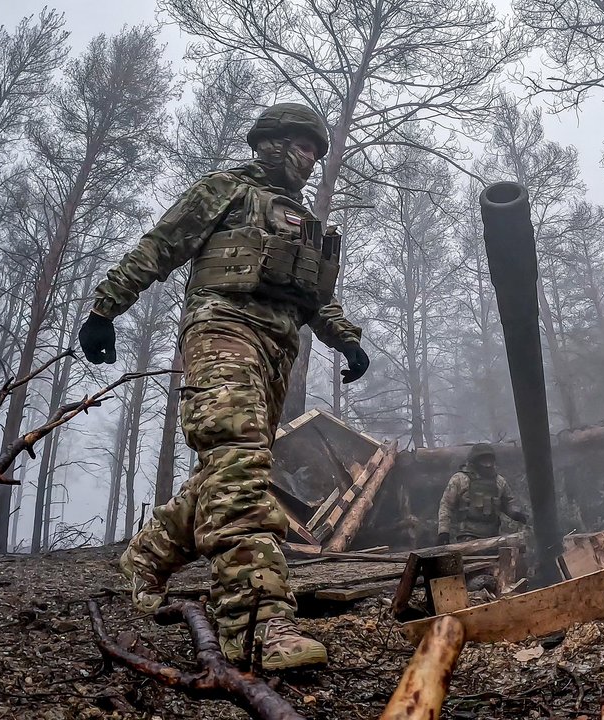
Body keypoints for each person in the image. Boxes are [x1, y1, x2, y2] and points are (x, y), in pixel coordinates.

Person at [78, 103, 369, 670]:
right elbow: (160, 245)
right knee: (236, 459)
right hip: (221, 328)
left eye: (316, 150)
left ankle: (149, 553)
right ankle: (257, 622)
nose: (309, 159)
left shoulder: (301, 219)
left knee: (232, 468)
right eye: (302, 146)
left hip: (277, 350)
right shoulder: (225, 191)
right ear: (272, 143)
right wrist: (105, 310)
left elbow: (313, 296)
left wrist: (346, 339)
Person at [436, 443, 528, 544]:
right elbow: (446, 506)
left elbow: (508, 503)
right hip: (467, 536)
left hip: (493, 536)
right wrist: (443, 532)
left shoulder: (499, 481)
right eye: (484, 461)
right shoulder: (460, 479)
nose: (488, 465)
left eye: (490, 461)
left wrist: (516, 514)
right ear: (475, 461)